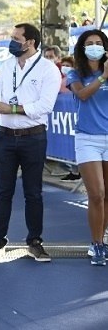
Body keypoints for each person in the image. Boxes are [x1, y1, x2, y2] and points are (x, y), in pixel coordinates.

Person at [0, 23, 61, 262]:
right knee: (2, 192)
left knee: (33, 193)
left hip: (33, 138)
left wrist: (12, 108)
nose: (11, 42)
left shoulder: (48, 70)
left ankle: (35, 242)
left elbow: (44, 107)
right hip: (4, 136)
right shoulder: (6, 67)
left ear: (30, 42)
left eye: (16, 38)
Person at [66, 29, 108, 265]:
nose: (94, 46)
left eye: (98, 43)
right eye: (90, 43)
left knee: (107, 196)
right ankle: (97, 244)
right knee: (97, 194)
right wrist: (103, 78)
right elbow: (82, 95)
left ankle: (101, 240)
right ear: (82, 48)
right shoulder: (75, 73)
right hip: (87, 139)